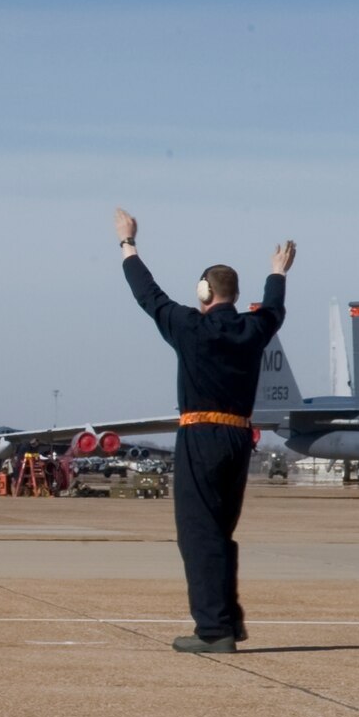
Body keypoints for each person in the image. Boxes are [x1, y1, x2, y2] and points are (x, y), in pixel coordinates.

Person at [115, 207, 293, 654]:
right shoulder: (253, 329)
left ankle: (213, 630)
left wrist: (127, 243)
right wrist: (278, 273)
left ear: (204, 292)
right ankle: (227, 619)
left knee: (198, 533)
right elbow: (273, 310)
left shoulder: (189, 327)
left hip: (200, 435)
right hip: (239, 438)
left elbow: (148, 296)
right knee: (220, 530)